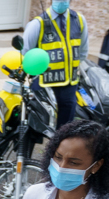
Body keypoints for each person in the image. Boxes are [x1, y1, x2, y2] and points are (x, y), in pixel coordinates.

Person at [22, 0, 89, 129]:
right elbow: (26, 52)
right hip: (44, 84)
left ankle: (59, 148)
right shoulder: (38, 23)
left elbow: (82, 52)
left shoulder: (79, 20)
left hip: (69, 84)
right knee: (38, 125)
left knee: (65, 128)